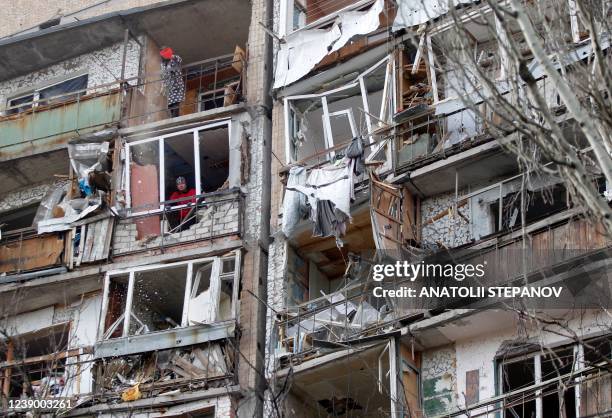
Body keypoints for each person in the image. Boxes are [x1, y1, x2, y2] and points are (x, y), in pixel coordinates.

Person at [160, 46, 185, 118]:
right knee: (170, 105)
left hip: (177, 84)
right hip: (169, 87)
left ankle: (175, 119)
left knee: (176, 103)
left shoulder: (174, 59)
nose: (162, 57)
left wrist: (172, 57)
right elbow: (163, 76)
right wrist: (162, 87)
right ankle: (173, 118)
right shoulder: (163, 64)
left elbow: (179, 60)